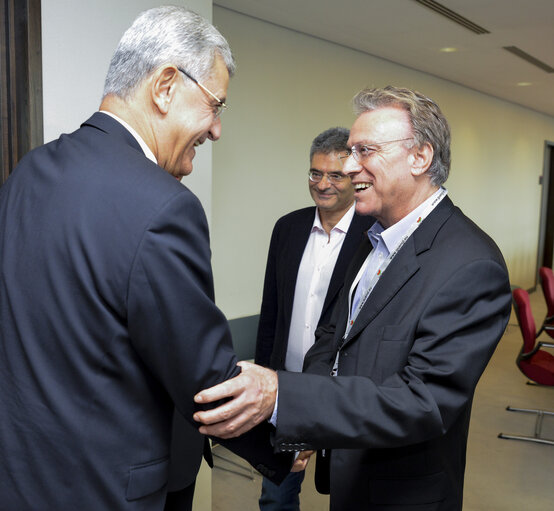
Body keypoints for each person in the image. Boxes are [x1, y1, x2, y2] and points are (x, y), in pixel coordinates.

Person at [0, 6, 292, 511]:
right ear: (165, 86)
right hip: (93, 489)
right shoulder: (164, 206)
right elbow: (201, 380)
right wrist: (282, 439)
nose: (216, 129)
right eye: (216, 105)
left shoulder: (27, 173)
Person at [194, 86, 512, 510]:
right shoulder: (373, 237)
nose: (350, 165)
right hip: (346, 474)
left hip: (401, 494)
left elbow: (423, 403)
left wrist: (284, 397)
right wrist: (307, 418)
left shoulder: (471, 264)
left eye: (365, 151)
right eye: (350, 151)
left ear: (420, 157)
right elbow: (333, 336)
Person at [255, 127, 373, 510]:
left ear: (354, 179)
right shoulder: (287, 228)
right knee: (276, 494)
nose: (322, 184)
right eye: (315, 173)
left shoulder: (374, 236)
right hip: (286, 390)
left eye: (335, 175)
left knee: (349, 491)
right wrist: (263, 376)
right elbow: (271, 311)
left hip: (343, 391)